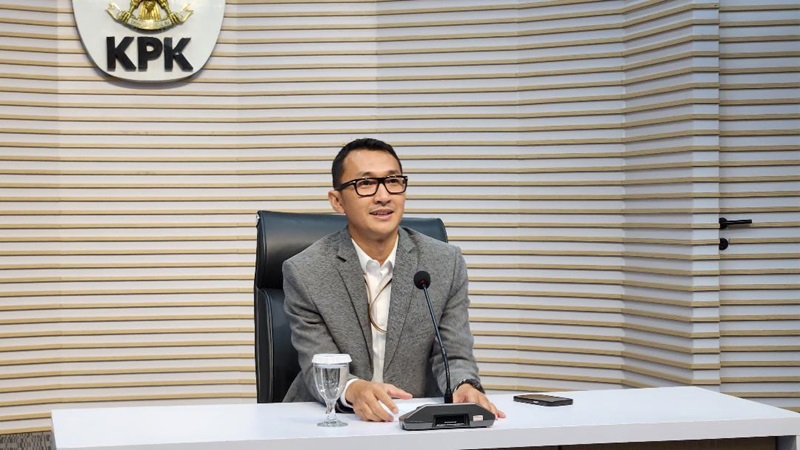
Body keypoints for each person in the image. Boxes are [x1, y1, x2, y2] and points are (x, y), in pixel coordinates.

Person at [282, 138, 504, 422]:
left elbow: (454, 355)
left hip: (411, 416)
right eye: (365, 184)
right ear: (337, 201)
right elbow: (319, 363)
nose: (383, 195)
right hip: (331, 419)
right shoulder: (306, 271)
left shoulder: (444, 263)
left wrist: (464, 385)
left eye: (393, 181)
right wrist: (354, 389)